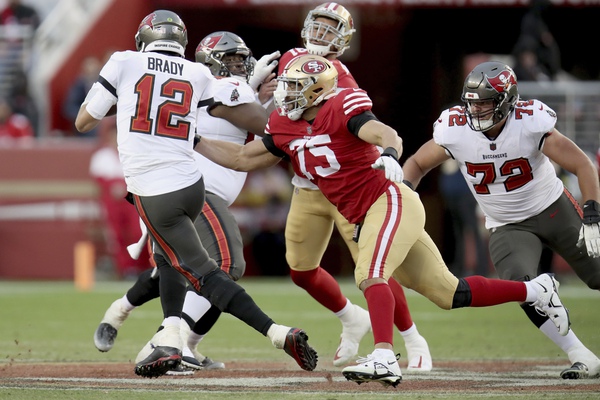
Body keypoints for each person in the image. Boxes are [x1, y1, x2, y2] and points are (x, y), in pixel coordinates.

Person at [195, 54, 570, 387]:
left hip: (388, 199)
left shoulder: (342, 106)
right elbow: (243, 158)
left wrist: (390, 153)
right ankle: (537, 290)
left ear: (318, 91)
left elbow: (385, 132)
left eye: (295, 86)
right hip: (365, 210)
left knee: (369, 271)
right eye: (287, 84)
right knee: (448, 293)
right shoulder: (285, 123)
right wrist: (194, 140)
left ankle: (385, 356)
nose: (285, 91)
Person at [75, 10, 317, 378]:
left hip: (157, 188)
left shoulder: (127, 62)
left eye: (241, 62)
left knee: (203, 268)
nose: (239, 67)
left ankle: (202, 339)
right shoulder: (202, 75)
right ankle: (164, 336)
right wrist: (271, 98)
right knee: (185, 266)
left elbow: (83, 122)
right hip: (193, 186)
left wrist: (254, 92)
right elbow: (245, 117)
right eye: (231, 61)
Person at [402, 61, 600, 380]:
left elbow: (582, 163)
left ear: (507, 101)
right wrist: (404, 192)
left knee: (597, 274)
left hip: (553, 209)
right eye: (472, 102)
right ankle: (580, 354)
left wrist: (592, 210)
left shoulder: (529, 121)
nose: (476, 109)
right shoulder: (455, 128)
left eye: (485, 102)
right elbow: (416, 163)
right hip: (507, 224)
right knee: (523, 288)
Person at [273, 2, 432, 371]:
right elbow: (281, 113)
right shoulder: (290, 59)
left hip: (348, 189)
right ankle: (350, 317)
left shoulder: (343, 83)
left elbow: (367, 130)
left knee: (372, 266)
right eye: (318, 26)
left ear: (343, 40)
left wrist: (389, 153)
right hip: (308, 186)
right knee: (300, 269)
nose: (321, 35)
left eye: (331, 30)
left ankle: (411, 337)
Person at [89, 115, 148, 279]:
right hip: (113, 206)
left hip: (134, 202)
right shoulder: (102, 157)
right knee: (118, 237)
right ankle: (127, 269)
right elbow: (101, 185)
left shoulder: (134, 155)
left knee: (139, 233)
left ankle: (144, 267)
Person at [438, 158, 489, 277]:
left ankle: (482, 269)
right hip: (452, 197)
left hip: (465, 195)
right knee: (458, 233)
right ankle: (459, 268)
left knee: (473, 231)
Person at [64, 56, 102, 138]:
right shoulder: (78, 87)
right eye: (90, 73)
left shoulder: (103, 86)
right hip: (85, 129)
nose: (93, 76)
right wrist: (86, 115)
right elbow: (69, 108)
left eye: (95, 72)